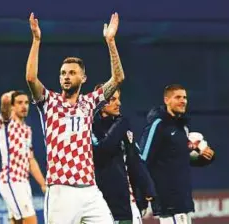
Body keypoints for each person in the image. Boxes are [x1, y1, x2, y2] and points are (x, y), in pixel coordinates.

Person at [26, 12, 125, 224]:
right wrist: (36, 41)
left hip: (89, 189)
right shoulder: (49, 102)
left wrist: (111, 42)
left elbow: (118, 78)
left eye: (71, 73)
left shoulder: (89, 103)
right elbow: (31, 78)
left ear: (83, 78)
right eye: (63, 73)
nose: (66, 77)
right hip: (61, 190)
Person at [139, 84, 215, 224]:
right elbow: (143, 159)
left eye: (185, 97)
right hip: (168, 198)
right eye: (178, 97)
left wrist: (205, 158)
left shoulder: (183, 128)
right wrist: (145, 190)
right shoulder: (158, 125)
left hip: (182, 197)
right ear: (166, 100)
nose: (183, 101)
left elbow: (182, 159)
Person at [92, 84, 156, 224]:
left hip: (125, 200)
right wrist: (120, 126)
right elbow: (101, 152)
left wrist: (146, 187)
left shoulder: (122, 125)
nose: (118, 103)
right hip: (98, 201)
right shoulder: (90, 125)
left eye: (119, 99)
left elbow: (134, 159)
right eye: (113, 99)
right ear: (100, 103)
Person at [0, 90, 46, 224]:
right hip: (11, 179)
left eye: (26, 103)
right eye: (19, 103)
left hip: (24, 182)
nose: (24, 106)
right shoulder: (6, 122)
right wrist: (12, 94)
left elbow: (30, 159)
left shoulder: (27, 130)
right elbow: (4, 99)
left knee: (16, 222)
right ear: (12, 106)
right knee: (31, 220)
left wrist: (43, 184)